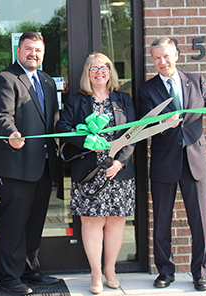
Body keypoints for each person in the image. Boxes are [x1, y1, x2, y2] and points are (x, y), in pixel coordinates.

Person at [138, 37, 206, 291]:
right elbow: (144, 126)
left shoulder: (195, 81)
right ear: (152, 60)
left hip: (194, 161)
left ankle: (200, 272)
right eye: (156, 58)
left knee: (200, 222)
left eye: (166, 56)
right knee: (162, 222)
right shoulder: (147, 90)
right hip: (164, 164)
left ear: (176, 55)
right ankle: (165, 271)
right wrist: (165, 124)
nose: (162, 62)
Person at [0, 31, 61, 295]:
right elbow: (0, 116)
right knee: (13, 223)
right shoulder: (5, 79)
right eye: (28, 49)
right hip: (15, 165)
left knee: (35, 221)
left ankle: (30, 269)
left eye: (38, 50)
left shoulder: (48, 81)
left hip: (42, 166)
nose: (33, 54)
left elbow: (52, 121)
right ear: (18, 51)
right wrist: (11, 134)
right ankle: (9, 277)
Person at [56, 53, 136, 294]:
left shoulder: (124, 99)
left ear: (110, 72)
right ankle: (95, 273)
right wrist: (87, 141)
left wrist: (121, 162)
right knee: (91, 223)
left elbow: (134, 132)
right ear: (87, 73)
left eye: (104, 68)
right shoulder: (75, 101)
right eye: (94, 68)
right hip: (89, 172)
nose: (99, 72)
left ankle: (110, 269)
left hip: (117, 172)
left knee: (116, 221)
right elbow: (62, 128)